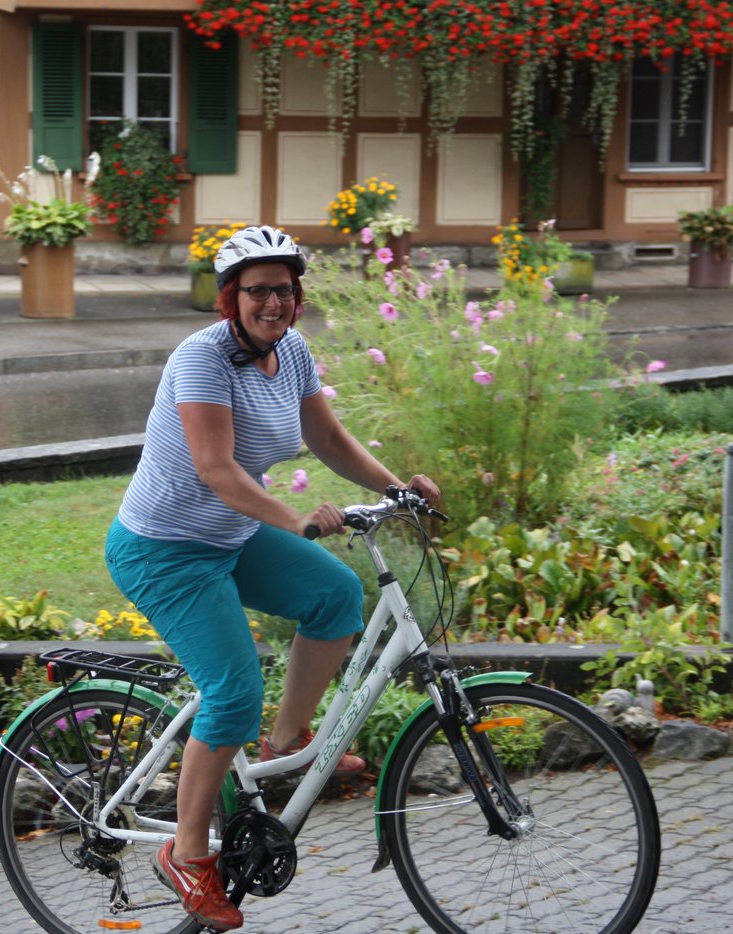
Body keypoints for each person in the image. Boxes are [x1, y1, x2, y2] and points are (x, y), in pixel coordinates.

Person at [104, 225, 440, 931]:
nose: (273, 303)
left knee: (334, 595)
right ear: (232, 298)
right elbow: (215, 469)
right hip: (164, 548)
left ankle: (285, 743)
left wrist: (396, 489)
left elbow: (328, 438)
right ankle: (187, 854)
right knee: (232, 687)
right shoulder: (201, 360)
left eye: (283, 290)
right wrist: (292, 519)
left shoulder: (290, 353)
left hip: (231, 532)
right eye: (257, 290)